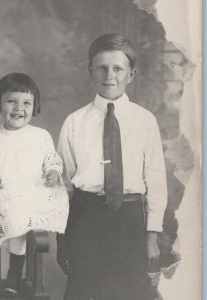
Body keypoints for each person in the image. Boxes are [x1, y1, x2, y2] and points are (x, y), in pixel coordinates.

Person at [57, 33, 167, 300]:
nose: (110, 76)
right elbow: (63, 186)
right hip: (85, 218)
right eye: (102, 68)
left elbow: (156, 181)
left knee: (130, 293)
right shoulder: (74, 122)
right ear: (90, 71)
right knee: (82, 291)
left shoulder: (144, 120)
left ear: (131, 74)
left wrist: (151, 237)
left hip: (129, 220)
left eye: (118, 68)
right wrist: (62, 240)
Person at [0, 73, 69, 296]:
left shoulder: (40, 136)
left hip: (25, 195)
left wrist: (54, 171)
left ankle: (15, 274)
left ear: (34, 107)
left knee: (20, 227)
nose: (19, 108)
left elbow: (52, 159)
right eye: (11, 101)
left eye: (26, 103)